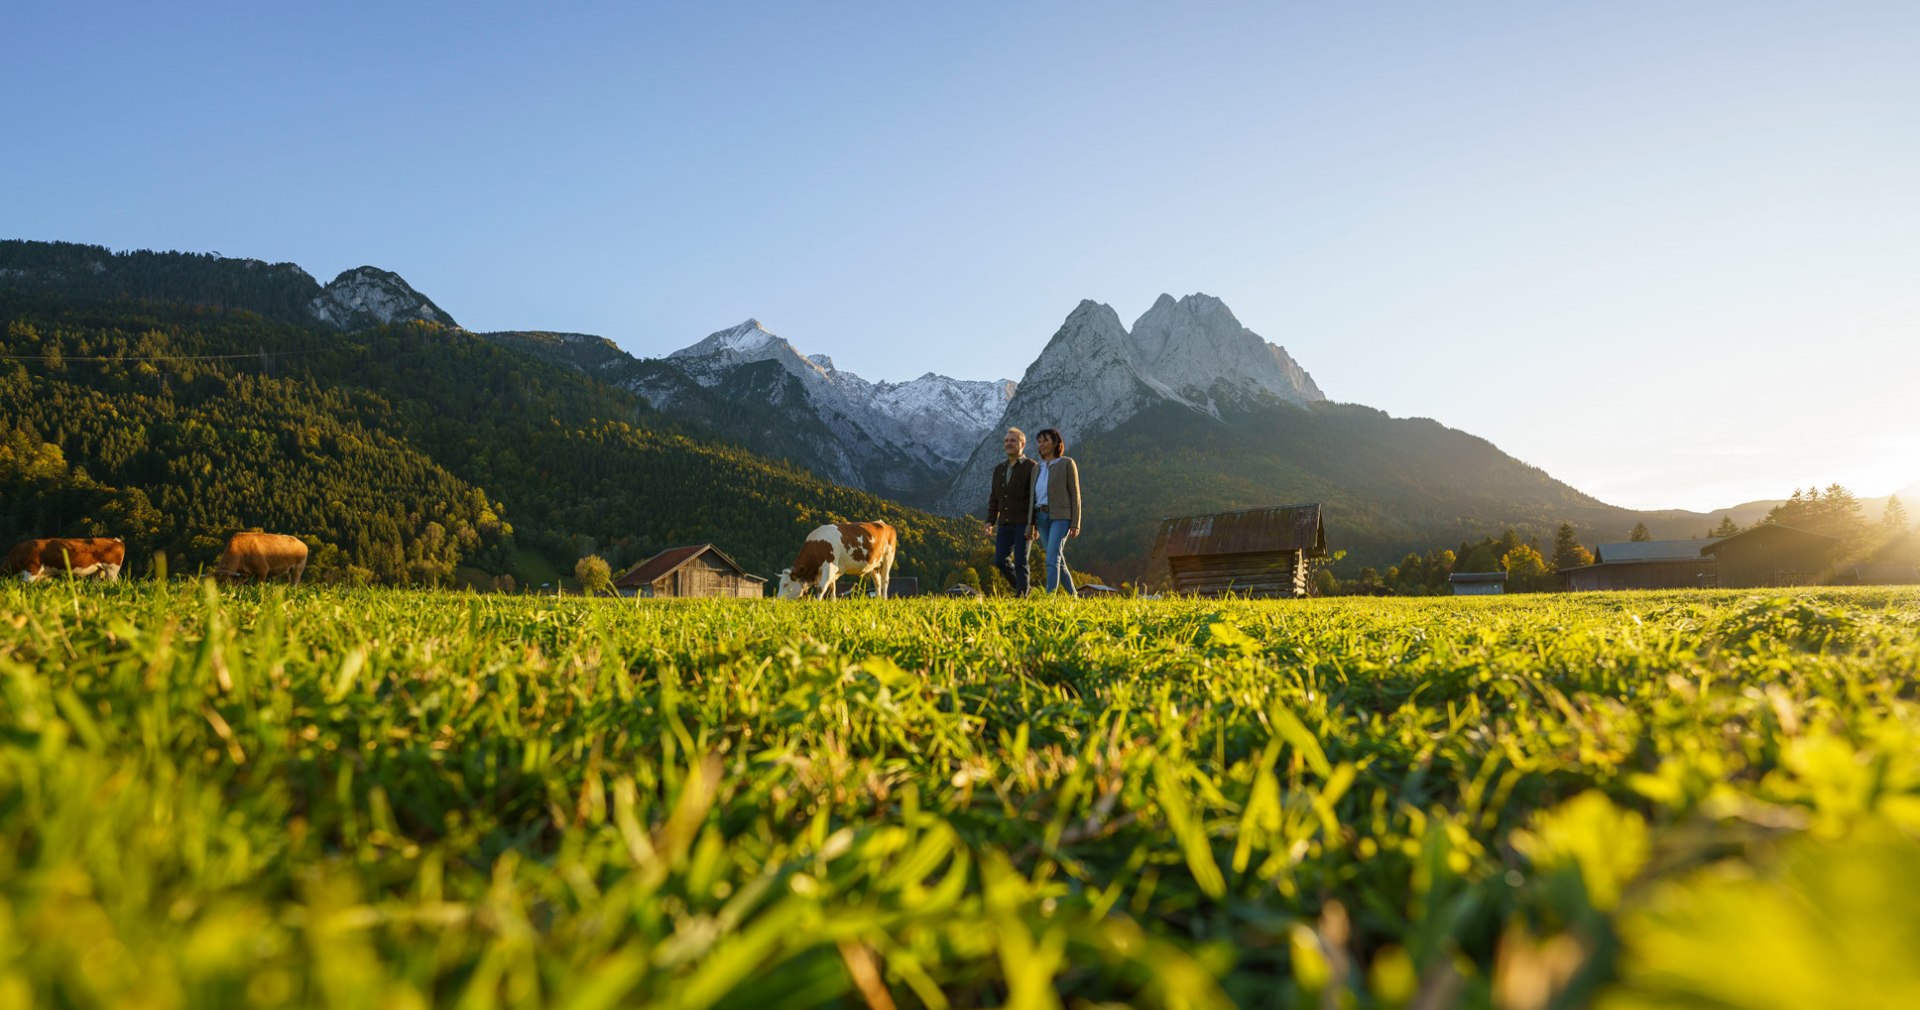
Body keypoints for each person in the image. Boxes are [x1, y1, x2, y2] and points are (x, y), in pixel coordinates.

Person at [982, 427, 1037, 595]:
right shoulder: (999, 469)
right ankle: (1024, 589)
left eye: (1012, 440)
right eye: (1006, 441)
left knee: (1021, 561)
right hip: (1004, 524)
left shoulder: (1031, 467)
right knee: (1000, 560)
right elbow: (995, 497)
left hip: (1023, 523)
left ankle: (1022, 596)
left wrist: (1033, 524)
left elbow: (1036, 498)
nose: (1008, 444)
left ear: (1022, 444)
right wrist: (990, 521)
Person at [1027, 428, 1080, 595]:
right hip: (1041, 518)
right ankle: (1073, 597)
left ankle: (1050, 598)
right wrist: (1031, 524)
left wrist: (1075, 523)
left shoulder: (1066, 463)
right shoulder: (1037, 468)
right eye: (1039, 441)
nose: (1041, 444)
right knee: (1057, 559)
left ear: (1056, 443)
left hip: (1061, 517)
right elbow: (1032, 498)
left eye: (1045, 440)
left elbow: (1075, 494)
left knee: (1051, 558)